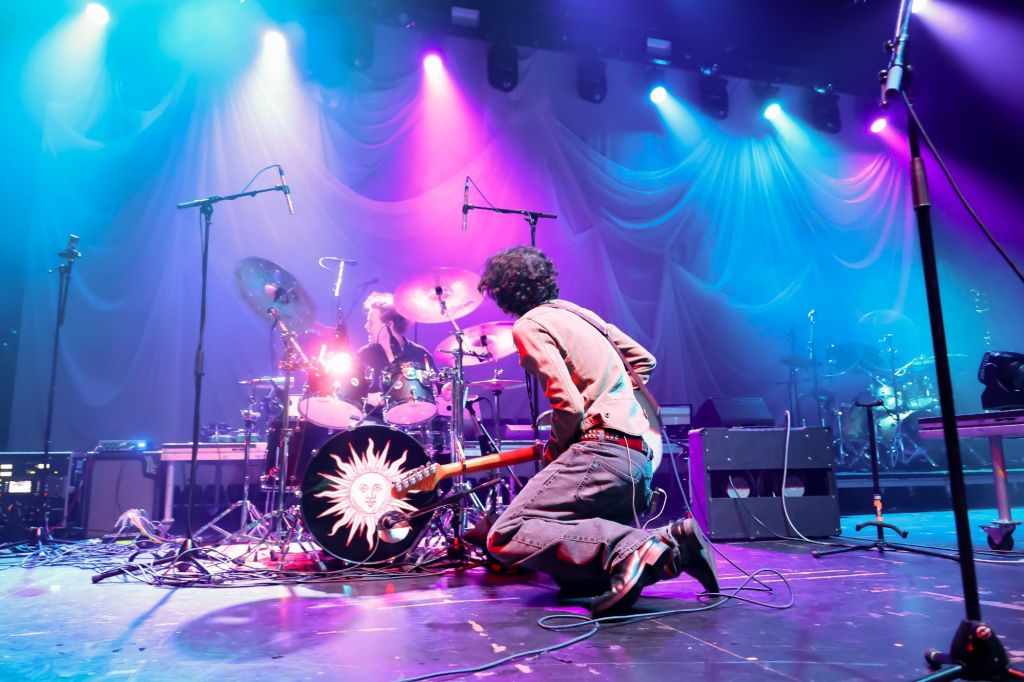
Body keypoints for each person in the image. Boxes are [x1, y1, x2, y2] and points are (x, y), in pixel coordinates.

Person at [478, 246, 719, 615]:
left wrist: (554, 451)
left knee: (506, 533)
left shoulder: (529, 324)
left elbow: (570, 405)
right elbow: (644, 360)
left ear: (503, 292)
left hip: (600, 454)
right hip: (638, 463)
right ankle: (679, 543)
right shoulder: (581, 315)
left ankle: (635, 545)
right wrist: (614, 395)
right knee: (576, 577)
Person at [357, 291, 436, 419]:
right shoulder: (364, 355)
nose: (366, 326)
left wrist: (446, 390)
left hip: (411, 423)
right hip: (373, 424)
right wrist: (366, 396)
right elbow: (351, 394)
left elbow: (437, 391)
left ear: (389, 325)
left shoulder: (421, 355)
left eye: (371, 322)